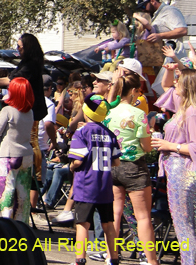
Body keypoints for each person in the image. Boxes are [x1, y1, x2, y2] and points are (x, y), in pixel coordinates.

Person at [105, 70, 159, 265]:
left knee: (115, 213)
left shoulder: (109, 112)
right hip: (134, 166)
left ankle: (111, 256)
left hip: (112, 165)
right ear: (134, 91)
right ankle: (152, 260)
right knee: (143, 217)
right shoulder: (138, 114)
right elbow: (146, 147)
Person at [152, 67, 196, 265]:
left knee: (185, 227)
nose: (175, 83)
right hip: (177, 169)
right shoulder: (184, 106)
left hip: (184, 171)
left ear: (187, 86)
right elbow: (165, 85)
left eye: (178, 80)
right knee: (186, 226)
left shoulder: (192, 112)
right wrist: (169, 65)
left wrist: (171, 146)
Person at [68, 94, 121, 265]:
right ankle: (113, 258)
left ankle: (80, 259)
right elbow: (116, 162)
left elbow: (77, 160)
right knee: (108, 223)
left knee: (82, 223)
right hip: (105, 186)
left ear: (86, 112)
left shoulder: (81, 132)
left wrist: (71, 167)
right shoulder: (110, 133)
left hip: (85, 186)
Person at [0, 77, 35, 222]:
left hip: (8, 155)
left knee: (3, 193)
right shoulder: (30, 112)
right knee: (22, 195)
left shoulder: (8, 110)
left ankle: (3, 225)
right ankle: (21, 227)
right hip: (26, 154)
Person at [0, 33, 47, 122]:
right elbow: (9, 77)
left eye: (20, 46)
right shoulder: (24, 62)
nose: (17, 49)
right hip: (26, 111)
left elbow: (12, 81)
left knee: (30, 136)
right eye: (17, 46)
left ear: (28, 48)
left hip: (33, 112)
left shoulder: (31, 65)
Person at [32, 76, 58, 209]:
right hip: (39, 146)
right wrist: (54, 141)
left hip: (24, 144)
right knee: (35, 181)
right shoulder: (48, 103)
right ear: (49, 89)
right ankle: (33, 210)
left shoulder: (29, 98)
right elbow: (48, 124)